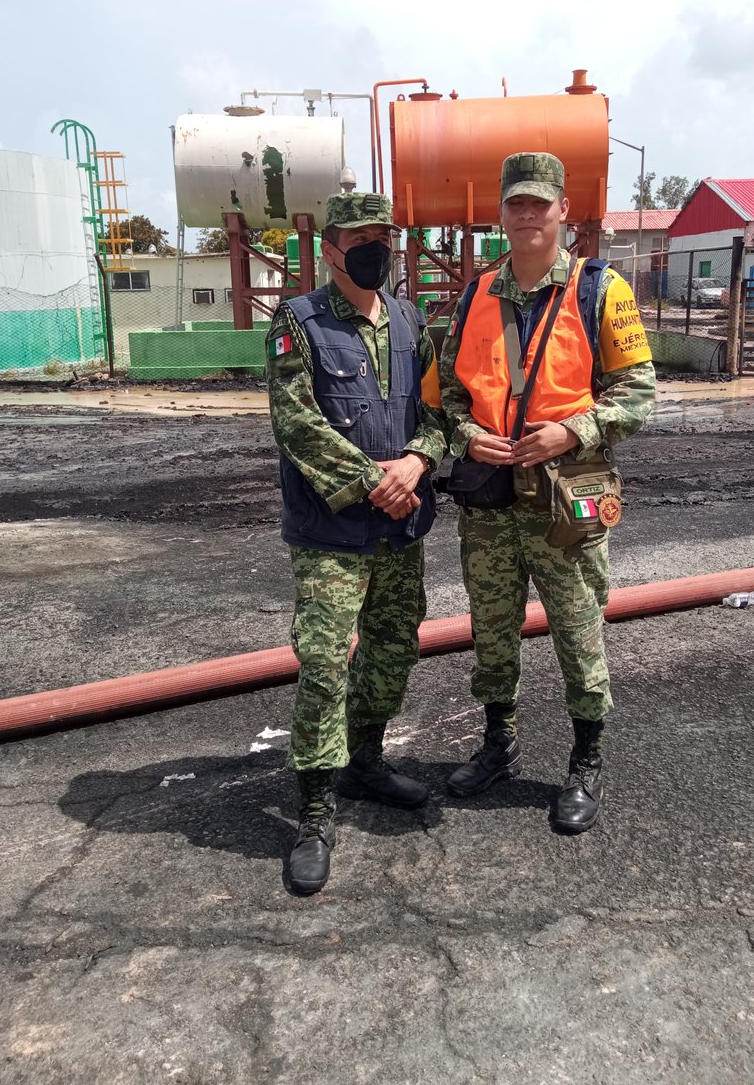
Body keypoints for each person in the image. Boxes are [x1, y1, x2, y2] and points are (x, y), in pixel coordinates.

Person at [438, 152, 656, 833]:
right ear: (500, 214)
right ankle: (498, 744)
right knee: (492, 632)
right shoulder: (475, 295)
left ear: (564, 210)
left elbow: (640, 392)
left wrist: (572, 431)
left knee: (579, 628)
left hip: (570, 496)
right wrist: (467, 434)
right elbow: (446, 393)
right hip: (490, 499)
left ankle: (586, 761)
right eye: (515, 204)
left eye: (540, 203)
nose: (527, 215)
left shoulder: (601, 289)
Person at [266, 191, 446, 894]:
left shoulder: (409, 319)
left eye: (385, 237)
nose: (377, 248)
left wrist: (420, 461)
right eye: (361, 238)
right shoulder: (298, 322)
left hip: (402, 525)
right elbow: (297, 425)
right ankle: (313, 805)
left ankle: (364, 760)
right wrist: (373, 480)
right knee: (322, 661)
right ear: (332, 249)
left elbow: (439, 407)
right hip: (332, 531)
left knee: (395, 648)